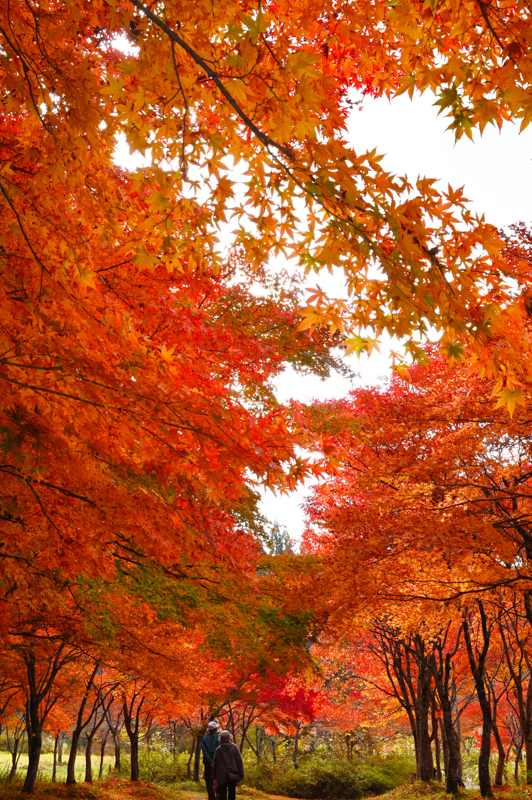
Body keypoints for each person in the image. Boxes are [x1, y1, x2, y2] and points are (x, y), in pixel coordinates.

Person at [212, 730, 244, 800]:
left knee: (222, 795)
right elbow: (239, 762)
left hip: (221, 776)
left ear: (221, 740)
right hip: (232, 775)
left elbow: (215, 765)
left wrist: (214, 777)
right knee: (232, 794)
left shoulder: (218, 750)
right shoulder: (234, 747)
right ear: (229, 738)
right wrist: (242, 774)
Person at [201, 721, 220, 800]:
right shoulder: (219, 737)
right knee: (219, 780)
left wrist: (210, 761)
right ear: (216, 729)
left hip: (208, 763)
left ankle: (211, 797)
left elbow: (204, 752)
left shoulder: (205, 738)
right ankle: (218, 796)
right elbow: (220, 750)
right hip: (218, 763)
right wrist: (215, 762)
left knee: (209, 782)